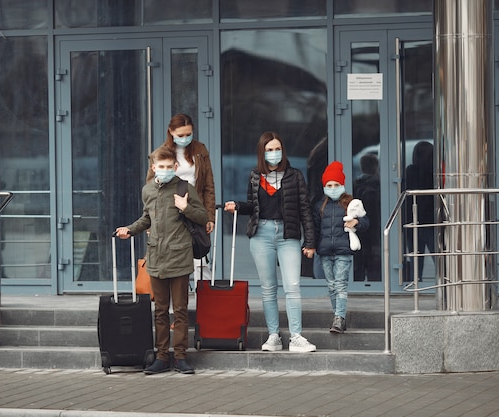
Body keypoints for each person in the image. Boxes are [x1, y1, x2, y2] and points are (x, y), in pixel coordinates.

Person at [116, 146, 208, 375]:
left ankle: (180, 356)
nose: (165, 170)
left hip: (179, 256)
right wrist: (130, 229)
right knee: (159, 310)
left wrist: (186, 208)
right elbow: (147, 218)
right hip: (156, 256)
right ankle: (161, 356)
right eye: (161, 167)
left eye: (169, 167)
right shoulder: (148, 190)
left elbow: (203, 217)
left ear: (175, 167)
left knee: (180, 310)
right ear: (153, 167)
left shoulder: (184, 187)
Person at [224, 131, 317, 353]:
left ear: (283, 151)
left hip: (288, 235)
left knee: (292, 287)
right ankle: (273, 336)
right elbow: (252, 205)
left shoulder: (294, 176)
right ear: (262, 153)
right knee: (268, 289)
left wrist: (310, 241)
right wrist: (237, 206)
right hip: (262, 234)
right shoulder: (255, 175)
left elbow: (304, 209)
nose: (274, 154)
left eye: (277, 149)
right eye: (269, 150)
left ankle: (296, 337)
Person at [147, 113, 216, 290]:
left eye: (188, 134)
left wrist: (209, 216)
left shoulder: (200, 150)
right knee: (169, 263)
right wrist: (150, 223)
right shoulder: (161, 153)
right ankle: (173, 312)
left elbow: (208, 186)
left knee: (201, 262)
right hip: (168, 215)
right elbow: (151, 190)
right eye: (181, 135)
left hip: (194, 211)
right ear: (171, 132)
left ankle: (205, 310)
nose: (185, 138)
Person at [313, 161, 369, 333]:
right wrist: (311, 246)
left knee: (340, 285)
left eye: (336, 184)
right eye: (329, 185)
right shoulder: (319, 206)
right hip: (325, 251)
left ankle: (339, 318)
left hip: (343, 251)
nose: (332, 188)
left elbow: (366, 222)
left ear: (342, 185)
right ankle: (337, 315)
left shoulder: (351, 204)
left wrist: (357, 222)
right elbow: (315, 229)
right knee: (331, 285)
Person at [404, 140, 435, 281]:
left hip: (413, 221)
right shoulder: (434, 173)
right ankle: (444, 284)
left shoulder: (410, 171)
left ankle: (415, 285)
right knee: (439, 257)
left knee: (416, 259)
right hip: (431, 221)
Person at [353, 153, 381, 281]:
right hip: (375, 229)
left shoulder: (354, 185)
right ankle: (376, 284)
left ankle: (356, 284)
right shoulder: (379, 186)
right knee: (374, 261)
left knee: (358, 260)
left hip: (357, 228)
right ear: (375, 167)